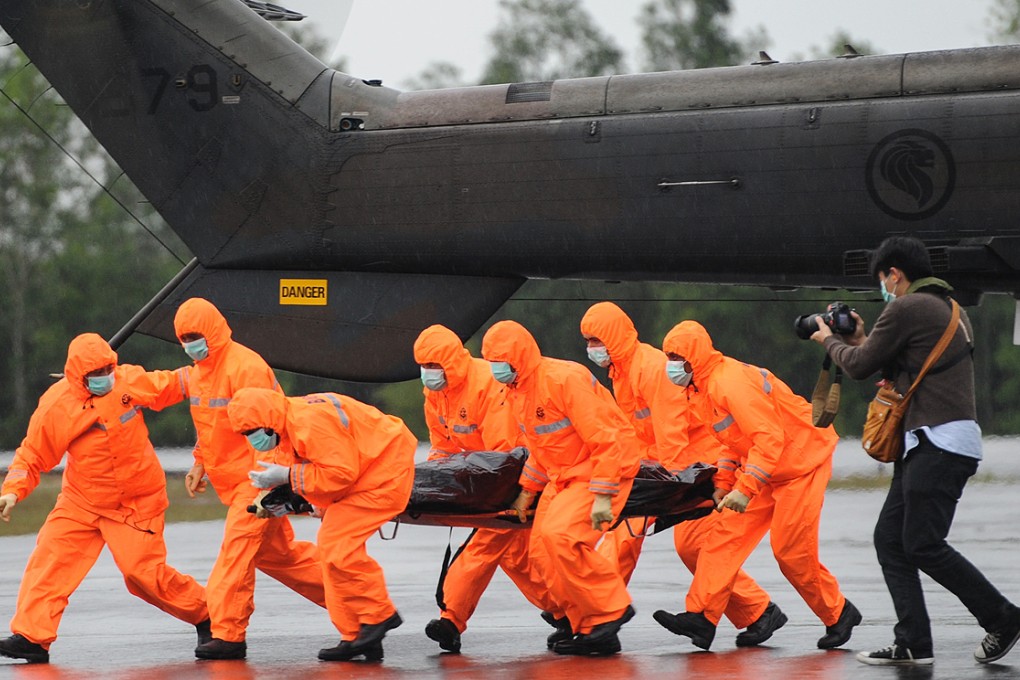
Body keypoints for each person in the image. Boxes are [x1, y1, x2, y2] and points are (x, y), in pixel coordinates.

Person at [811, 236, 1020, 666]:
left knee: (922, 543)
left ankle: (1003, 617)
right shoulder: (950, 309)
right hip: (938, 442)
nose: (884, 290)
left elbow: (857, 365)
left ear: (894, 274)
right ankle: (913, 642)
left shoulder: (906, 307)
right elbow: (896, 364)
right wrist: (865, 336)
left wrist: (827, 339)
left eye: (882, 280)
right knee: (891, 540)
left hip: (937, 441)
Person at [580, 302, 786, 648]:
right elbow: (636, 432)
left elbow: (671, 432)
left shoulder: (649, 369)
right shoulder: (622, 371)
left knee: (636, 535)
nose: (591, 348)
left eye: (595, 339)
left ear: (613, 338)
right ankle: (757, 612)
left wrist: (666, 487)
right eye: (587, 340)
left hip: (694, 467)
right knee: (678, 545)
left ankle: (597, 614)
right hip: (665, 467)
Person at [0, 333, 209, 664]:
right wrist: (12, 490)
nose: (104, 378)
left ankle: (209, 613)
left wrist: (212, 369)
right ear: (78, 377)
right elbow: (32, 454)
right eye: (95, 374)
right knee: (50, 562)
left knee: (143, 576)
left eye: (108, 369)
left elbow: (175, 382)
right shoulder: (57, 405)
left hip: (136, 502)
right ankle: (31, 637)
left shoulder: (128, 381)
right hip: (81, 502)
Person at [654, 320, 860, 652]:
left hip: (801, 462)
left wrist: (744, 489)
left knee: (790, 553)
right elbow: (730, 441)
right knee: (723, 537)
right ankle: (701, 618)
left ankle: (838, 613)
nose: (671, 365)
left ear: (694, 356)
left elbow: (769, 437)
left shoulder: (728, 382)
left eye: (677, 357)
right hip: (767, 466)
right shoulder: (702, 387)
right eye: (669, 357)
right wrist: (723, 483)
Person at [173, 297, 326, 660]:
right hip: (239, 477)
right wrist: (199, 462)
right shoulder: (199, 371)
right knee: (282, 558)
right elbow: (213, 426)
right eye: (184, 337)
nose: (191, 342)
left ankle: (226, 633)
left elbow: (268, 428)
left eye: (195, 334)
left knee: (236, 549)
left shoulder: (245, 367)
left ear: (213, 329)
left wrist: (268, 485)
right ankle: (367, 609)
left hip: (259, 476)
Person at [481, 319, 642, 656]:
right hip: (565, 475)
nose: (496, 369)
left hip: (601, 470)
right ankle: (585, 624)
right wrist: (526, 491)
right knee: (539, 551)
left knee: (562, 537)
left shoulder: (563, 379)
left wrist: (603, 494)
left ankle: (610, 609)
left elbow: (606, 438)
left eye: (500, 361)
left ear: (518, 357)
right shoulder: (519, 392)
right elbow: (543, 449)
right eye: (491, 361)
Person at [226, 386, 415, 662]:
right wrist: (291, 499)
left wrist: (289, 475)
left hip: (384, 473)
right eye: (245, 434)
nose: (251, 438)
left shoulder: (306, 421)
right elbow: (327, 469)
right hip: (369, 470)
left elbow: (340, 472)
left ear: (268, 422)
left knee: (337, 546)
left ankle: (379, 615)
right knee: (331, 552)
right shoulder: (288, 425)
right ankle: (358, 635)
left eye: (251, 431)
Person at [413, 325, 556, 653]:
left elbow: (504, 451)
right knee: (517, 559)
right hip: (482, 481)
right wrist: (438, 485)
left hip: (517, 478)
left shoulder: (487, 385)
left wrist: (476, 489)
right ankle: (568, 612)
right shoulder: (436, 393)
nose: (428, 374)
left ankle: (450, 618)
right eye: (423, 366)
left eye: (434, 366)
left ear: (451, 362)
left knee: (484, 544)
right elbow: (442, 447)